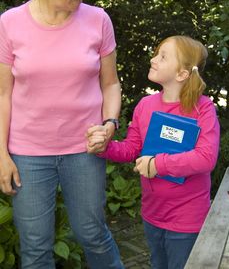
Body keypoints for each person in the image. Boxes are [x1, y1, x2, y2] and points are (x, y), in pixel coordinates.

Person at [0, 0, 124, 269]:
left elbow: (111, 84)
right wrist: (1, 155)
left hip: (84, 149)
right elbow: (3, 94)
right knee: (36, 249)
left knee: (92, 235)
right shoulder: (10, 24)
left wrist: (110, 124)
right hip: (27, 153)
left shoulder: (98, 20)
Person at [87, 35, 220, 269]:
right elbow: (131, 149)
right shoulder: (145, 106)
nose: (153, 59)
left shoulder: (203, 108)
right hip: (152, 214)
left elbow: (206, 157)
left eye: (163, 56)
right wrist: (104, 146)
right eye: (157, 53)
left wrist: (159, 165)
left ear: (182, 74)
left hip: (187, 220)